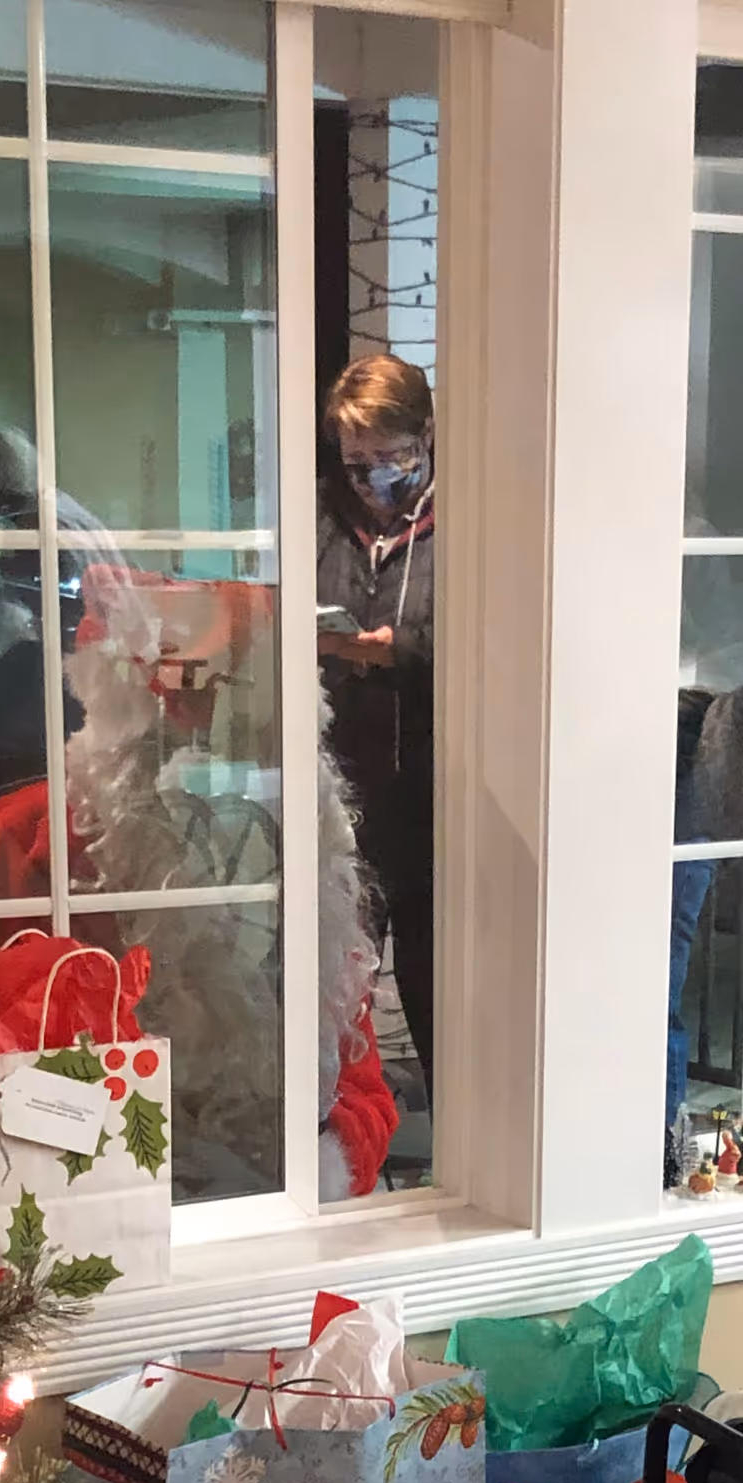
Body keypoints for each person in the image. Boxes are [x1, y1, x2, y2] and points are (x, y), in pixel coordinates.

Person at [316, 354, 437, 1101]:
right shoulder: (325, 519)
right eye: (354, 461)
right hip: (341, 781)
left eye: (386, 457)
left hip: (435, 786)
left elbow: (499, 637)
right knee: (336, 982)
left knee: (435, 985)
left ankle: (464, 1146)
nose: (370, 480)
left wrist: (405, 651)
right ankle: (332, 1143)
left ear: (424, 434)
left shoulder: (470, 520)